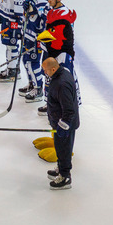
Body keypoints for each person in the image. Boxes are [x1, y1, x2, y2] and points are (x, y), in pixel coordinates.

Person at [42, 57, 78, 189]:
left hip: (65, 126)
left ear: (53, 68)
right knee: (59, 148)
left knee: (64, 150)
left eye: (45, 70)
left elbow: (69, 110)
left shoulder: (62, 84)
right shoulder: (60, 75)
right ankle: (61, 167)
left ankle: (65, 176)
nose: (44, 73)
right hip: (58, 123)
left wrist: (63, 127)